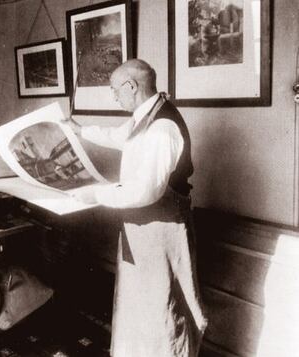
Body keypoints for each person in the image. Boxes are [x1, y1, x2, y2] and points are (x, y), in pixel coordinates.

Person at [64, 59, 207, 357]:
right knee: (141, 308)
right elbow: (120, 138)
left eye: (115, 90)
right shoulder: (146, 115)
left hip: (162, 230)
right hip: (142, 230)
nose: (114, 96)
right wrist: (80, 130)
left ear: (131, 86)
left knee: (163, 310)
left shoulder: (162, 126)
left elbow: (146, 191)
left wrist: (96, 195)